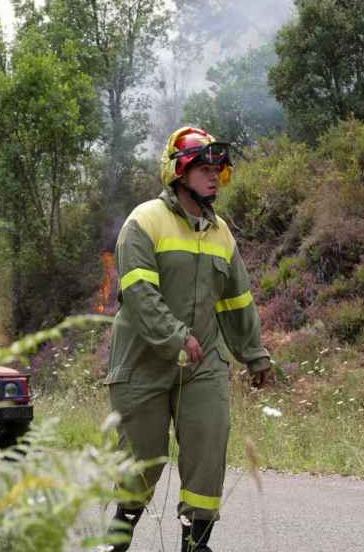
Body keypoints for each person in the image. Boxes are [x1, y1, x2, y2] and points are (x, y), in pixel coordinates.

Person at [105, 127, 273, 552]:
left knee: (208, 446)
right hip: (143, 362)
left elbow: (236, 302)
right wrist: (176, 336)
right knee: (142, 460)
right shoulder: (144, 222)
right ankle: (117, 541)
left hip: (204, 363)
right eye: (203, 167)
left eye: (218, 169)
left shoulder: (222, 235)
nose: (214, 176)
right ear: (179, 173)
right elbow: (140, 295)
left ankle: (195, 544)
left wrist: (255, 356)